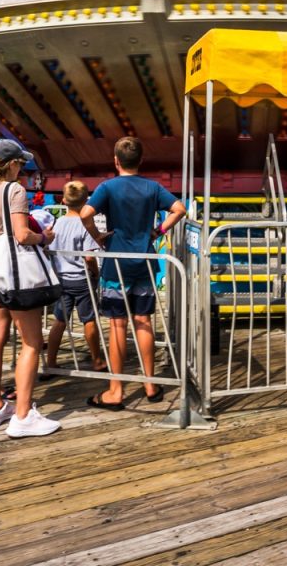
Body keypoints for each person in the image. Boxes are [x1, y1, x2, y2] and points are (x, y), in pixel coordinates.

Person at [80, 137, 186, 410]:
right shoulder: (152, 187)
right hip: (144, 261)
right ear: (141, 160)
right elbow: (179, 209)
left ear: (116, 161)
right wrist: (159, 231)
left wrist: (99, 236)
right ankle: (150, 384)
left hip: (116, 263)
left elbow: (84, 214)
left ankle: (115, 390)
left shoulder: (107, 187)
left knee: (118, 324)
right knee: (144, 321)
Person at [0, 139, 60, 437]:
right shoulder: (15, 190)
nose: (23, 169)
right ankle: (23, 416)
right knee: (32, 342)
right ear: (10, 165)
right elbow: (22, 236)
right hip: (13, 273)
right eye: (20, 164)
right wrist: (43, 236)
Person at [41, 181, 105, 379]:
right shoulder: (85, 225)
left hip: (62, 279)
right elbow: (89, 256)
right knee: (89, 320)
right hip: (82, 279)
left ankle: (51, 361)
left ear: (63, 200)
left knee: (60, 321)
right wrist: (95, 273)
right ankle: (97, 360)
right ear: (87, 201)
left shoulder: (57, 223)